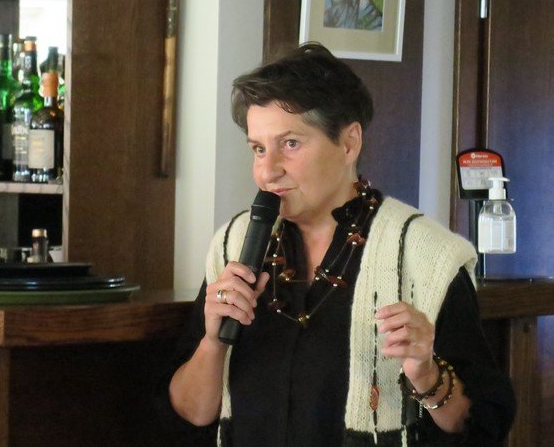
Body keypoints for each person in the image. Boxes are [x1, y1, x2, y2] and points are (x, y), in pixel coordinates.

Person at [157, 43, 515, 446]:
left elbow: (483, 425)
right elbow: (192, 414)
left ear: (349, 143)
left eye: (290, 144)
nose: (267, 171)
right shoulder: (233, 244)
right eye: (258, 148)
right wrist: (212, 342)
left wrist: (427, 374)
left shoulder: (426, 255)